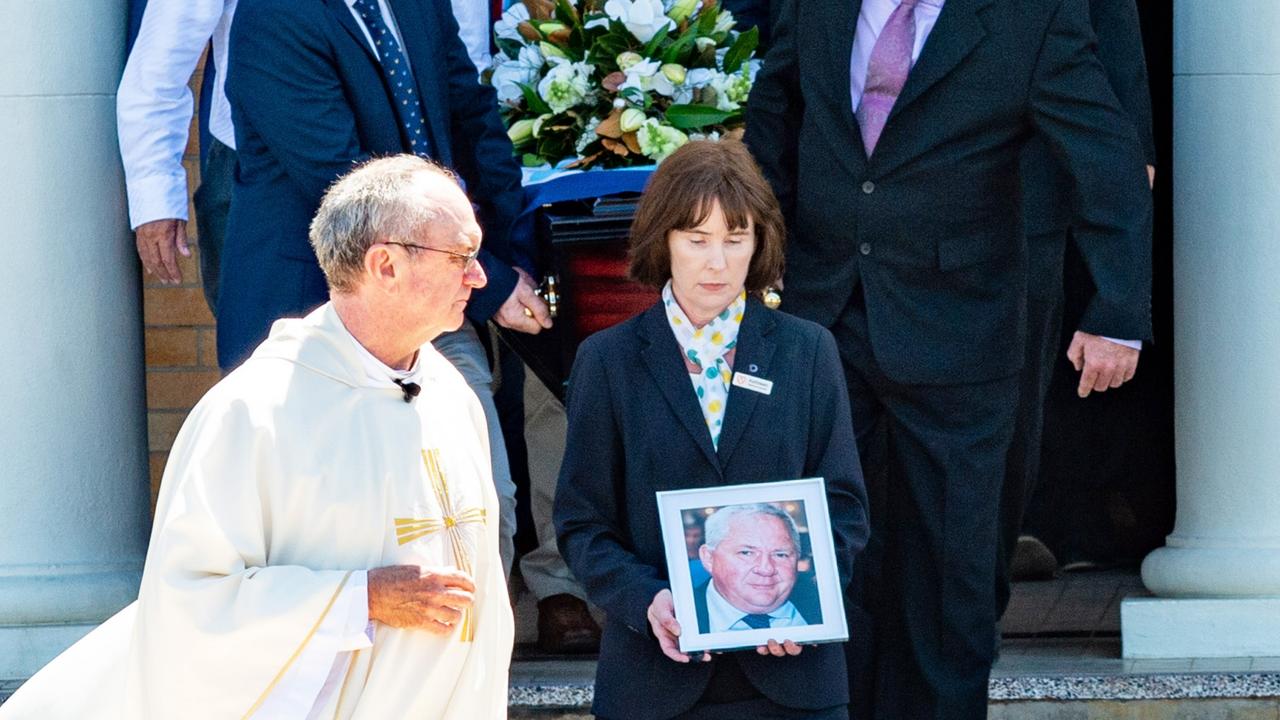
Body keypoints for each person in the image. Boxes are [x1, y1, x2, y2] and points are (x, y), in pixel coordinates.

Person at [743, 1, 1153, 717]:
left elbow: (1108, 160)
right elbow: (775, 112)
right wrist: (760, 259)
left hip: (966, 325)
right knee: (829, 554)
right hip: (825, 315)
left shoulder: (1032, 19)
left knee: (951, 572)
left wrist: (1118, 313)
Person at [0, 156, 513, 719]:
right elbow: (190, 604)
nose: (479, 276)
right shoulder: (255, 412)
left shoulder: (450, 396)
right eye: (461, 256)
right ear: (384, 264)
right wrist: (358, 598)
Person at [221, 0, 554, 575]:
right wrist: (491, 282)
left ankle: (470, 661)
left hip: (432, 305)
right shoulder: (274, 15)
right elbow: (348, 186)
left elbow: (471, 113)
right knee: (341, 534)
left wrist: (503, 252)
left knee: (479, 504)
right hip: (321, 312)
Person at [554, 140, 870, 720]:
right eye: (697, 240)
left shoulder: (807, 350)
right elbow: (583, 523)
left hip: (794, 676)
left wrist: (809, 598)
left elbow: (844, 506)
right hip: (655, 677)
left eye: (735, 239)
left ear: (760, 244)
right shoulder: (607, 359)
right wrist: (646, 601)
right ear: (662, 242)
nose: (716, 262)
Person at [996, 0, 1157, 599]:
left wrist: (1132, 149)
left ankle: (1036, 527)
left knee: (1043, 372)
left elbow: (1112, 26)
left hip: (1040, 172)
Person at [117, 0, 238, 310]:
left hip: (364, 159)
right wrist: (157, 198)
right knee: (257, 346)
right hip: (248, 165)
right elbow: (159, 69)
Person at [694, 504, 819, 634]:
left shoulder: (826, 601)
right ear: (709, 557)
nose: (766, 569)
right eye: (746, 553)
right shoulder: (678, 615)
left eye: (780, 555)